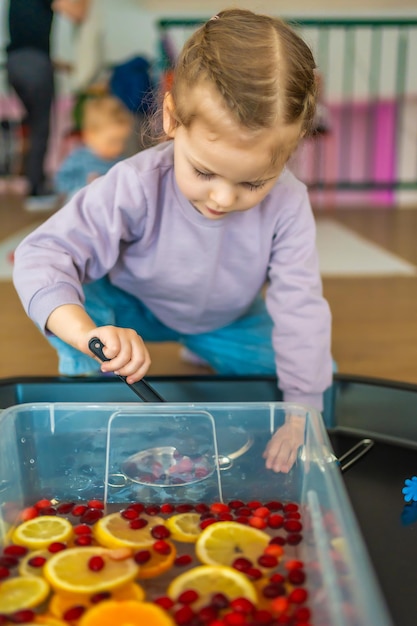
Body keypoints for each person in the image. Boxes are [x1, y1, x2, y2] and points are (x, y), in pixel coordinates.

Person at [13, 9, 333, 473]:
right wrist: (89, 335)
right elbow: (43, 254)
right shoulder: (135, 182)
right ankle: (90, 395)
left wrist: (302, 412)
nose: (222, 198)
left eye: (254, 182)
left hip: (228, 316)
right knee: (82, 306)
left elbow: (300, 307)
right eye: (204, 171)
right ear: (171, 118)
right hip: (130, 310)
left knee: (314, 382)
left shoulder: (289, 203)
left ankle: (200, 343)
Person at [5, 0, 90, 211]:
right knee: (40, 129)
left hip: (13, 64)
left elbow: (28, 39)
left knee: (31, 124)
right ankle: (36, 190)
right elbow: (78, 13)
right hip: (35, 65)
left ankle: (29, 180)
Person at [55, 95, 133, 199]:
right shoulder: (78, 158)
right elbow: (60, 182)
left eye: (122, 141)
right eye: (112, 141)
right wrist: (84, 182)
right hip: (81, 208)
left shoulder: (121, 162)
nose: (119, 147)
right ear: (90, 135)